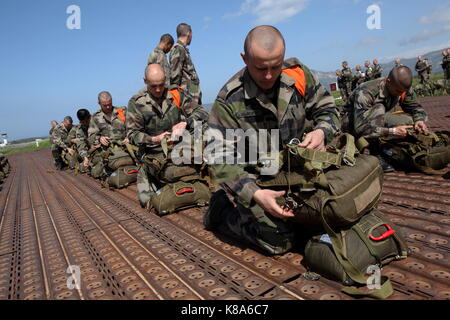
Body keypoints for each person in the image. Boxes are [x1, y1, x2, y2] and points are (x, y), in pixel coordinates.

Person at [203, 25, 341, 255]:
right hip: (259, 182)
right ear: (245, 59)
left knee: (336, 215)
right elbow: (218, 156)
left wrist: (322, 131)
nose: (269, 75)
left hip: (299, 172)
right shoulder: (229, 99)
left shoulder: (298, 75)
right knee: (278, 241)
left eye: (276, 66)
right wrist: (255, 194)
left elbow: (328, 110)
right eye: (260, 68)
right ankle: (222, 211)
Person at [126, 64, 209, 208]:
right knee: (147, 201)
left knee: (206, 130)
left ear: (166, 79)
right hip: (153, 152)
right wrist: (154, 139)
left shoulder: (176, 94)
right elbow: (133, 134)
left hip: (179, 147)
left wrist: (185, 124)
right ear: (145, 81)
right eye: (153, 86)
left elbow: (202, 113)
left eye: (161, 84)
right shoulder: (137, 103)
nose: (158, 90)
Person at [344, 66, 428, 172]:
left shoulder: (401, 87)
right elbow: (360, 127)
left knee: (408, 122)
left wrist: (419, 120)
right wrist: (392, 131)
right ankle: (375, 152)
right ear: (388, 81)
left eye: (402, 92)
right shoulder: (366, 91)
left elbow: (415, 107)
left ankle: (390, 146)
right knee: (379, 108)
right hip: (352, 122)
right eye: (397, 91)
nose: (399, 93)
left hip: (377, 117)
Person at [169, 23, 202, 104]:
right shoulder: (178, 49)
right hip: (187, 99)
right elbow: (174, 78)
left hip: (191, 97)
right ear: (188, 33)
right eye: (191, 34)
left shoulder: (182, 49)